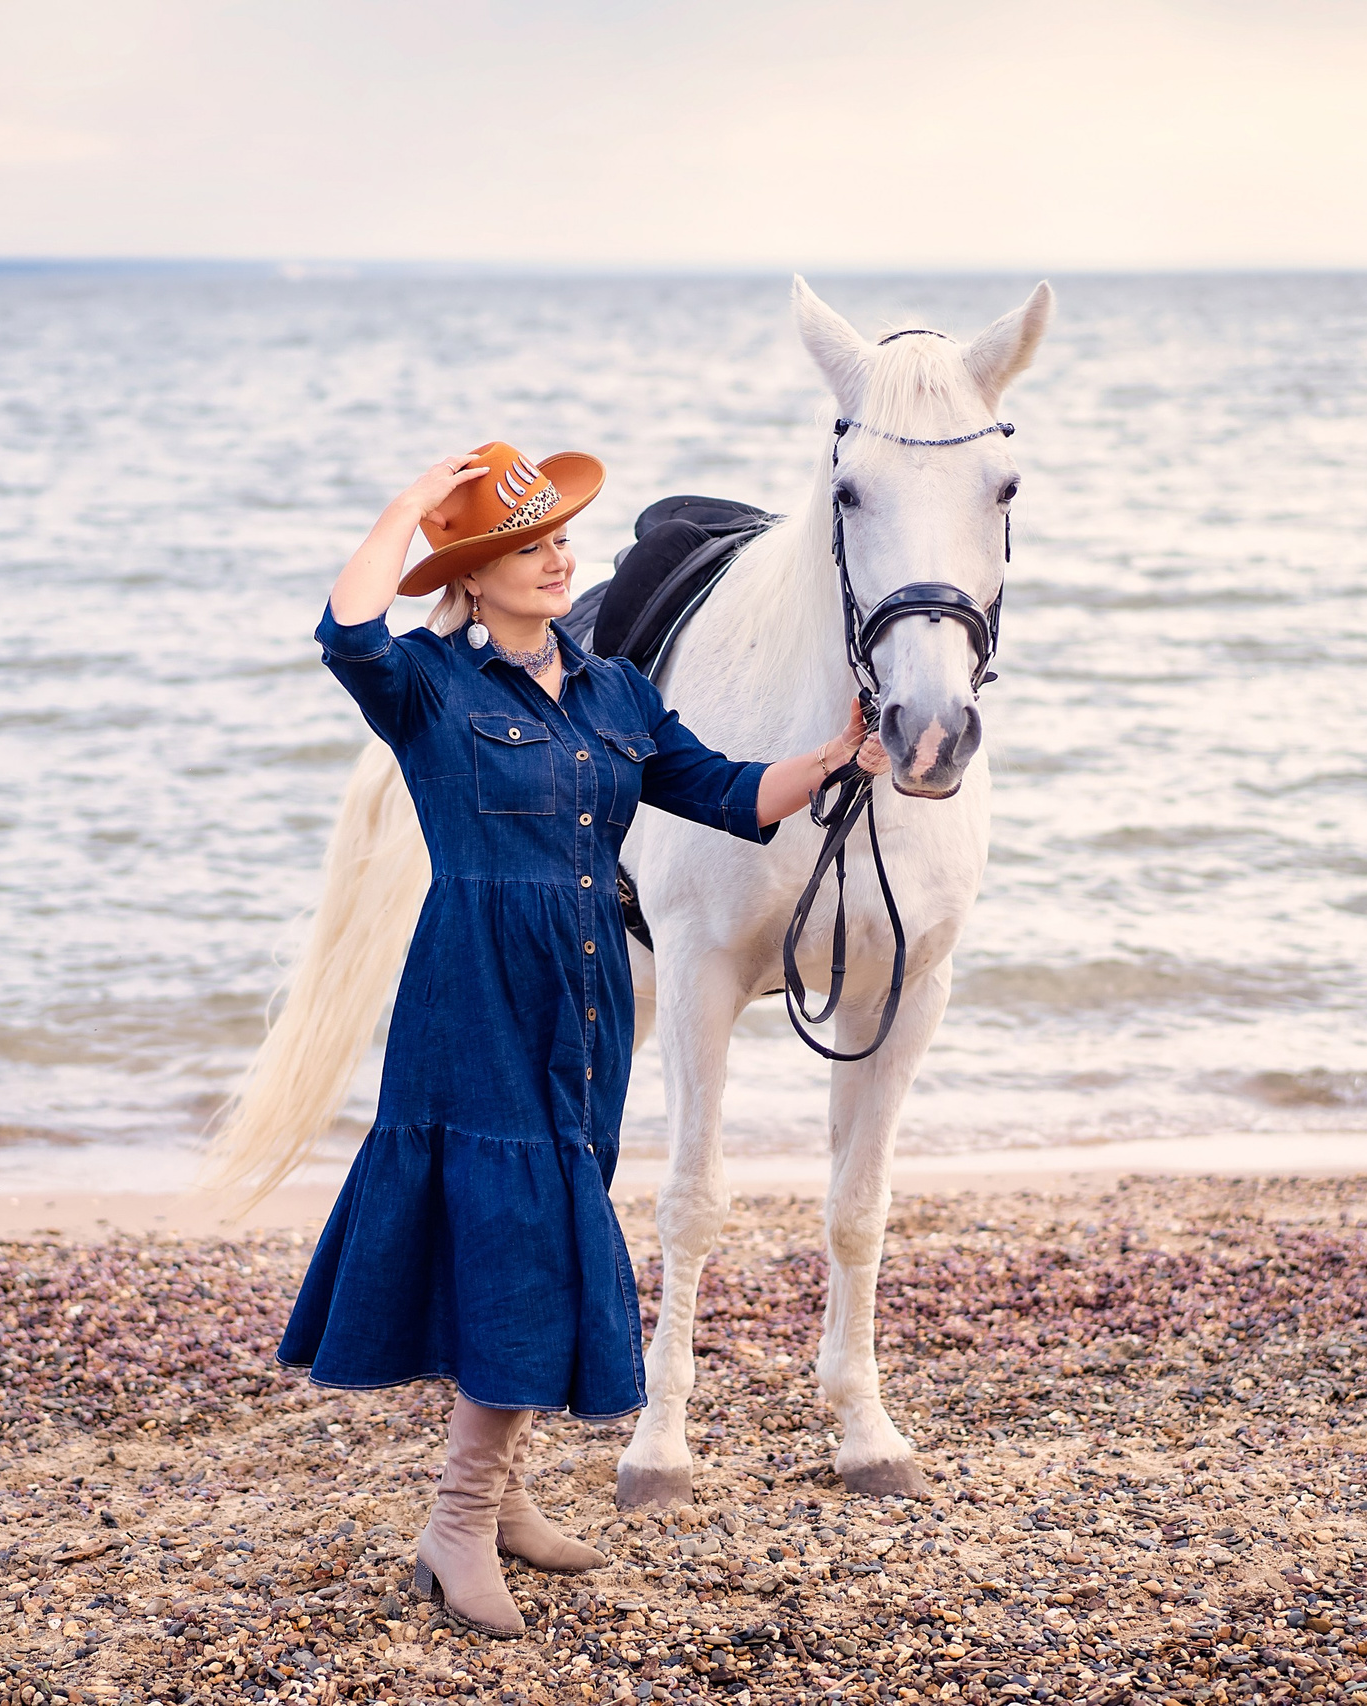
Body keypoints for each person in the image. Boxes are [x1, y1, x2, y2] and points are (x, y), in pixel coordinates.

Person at [275, 441, 888, 1636]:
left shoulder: (614, 692)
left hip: (591, 996)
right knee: (513, 1234)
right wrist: (410, 504)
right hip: (476, 990)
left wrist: (833, 756)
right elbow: (344, 631)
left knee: (550, 1229)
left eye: (561, 538)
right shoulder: (429, 685)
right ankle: (457, 1521)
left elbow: (725, 791)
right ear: (473, 574)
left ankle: (502, 1498)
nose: (558, 559)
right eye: (527, 545)